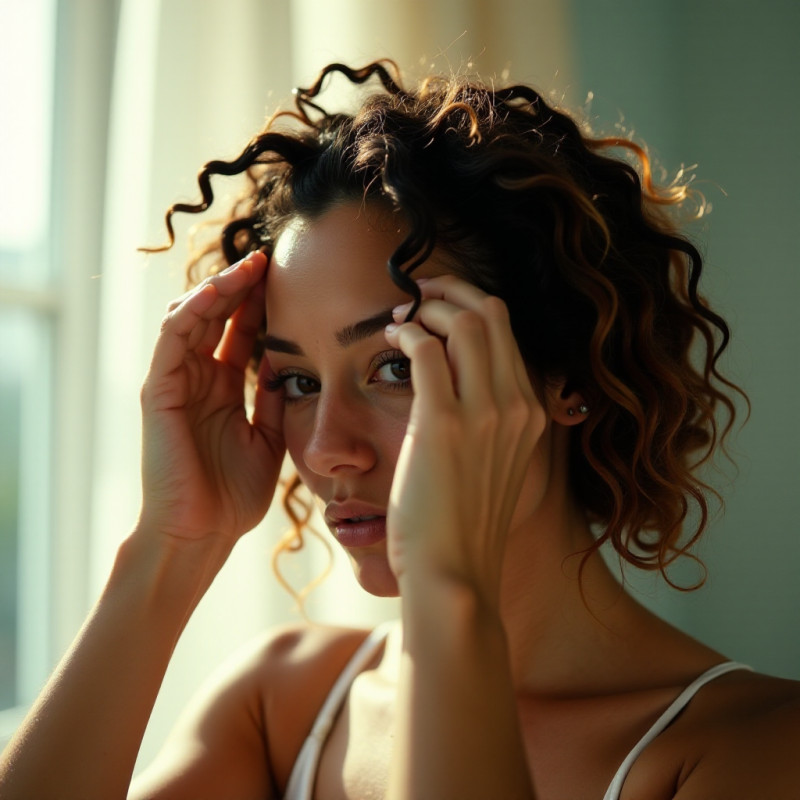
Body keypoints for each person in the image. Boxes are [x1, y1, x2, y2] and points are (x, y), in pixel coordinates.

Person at [1, 60, 798, 800]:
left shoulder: (751, 748)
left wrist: (449, 585)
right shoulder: (283, 708)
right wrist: (172, 547)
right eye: (299, 383)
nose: (323, 452)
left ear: (570, 377)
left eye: (395, 366)